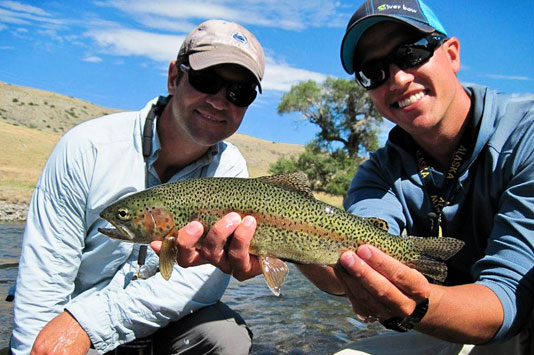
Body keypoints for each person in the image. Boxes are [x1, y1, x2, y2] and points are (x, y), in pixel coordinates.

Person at [160, 1, 534, 354]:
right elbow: (343, 274)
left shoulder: (525, 138)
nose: (399, 78)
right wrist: (282, 238)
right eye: (374, 72)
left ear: (451, 54)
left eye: (411, 53)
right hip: (445, 322)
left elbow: (507, 298)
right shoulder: (378, 173)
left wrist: (414, 304)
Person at [10, 19, 265, 355]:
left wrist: (89, 322)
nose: (220, 101)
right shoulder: (86, 148)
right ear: (174, 77)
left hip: (157, 326)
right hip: (72, 330)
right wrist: (42, 344)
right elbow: (43, 283)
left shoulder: (231, 171)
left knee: (226, 338)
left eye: (239, 92)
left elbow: (196, 284)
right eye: (206, 81)